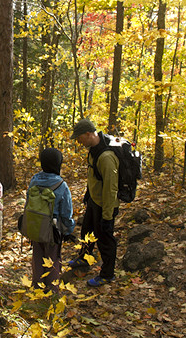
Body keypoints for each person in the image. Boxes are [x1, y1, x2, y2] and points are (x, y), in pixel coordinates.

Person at [68, 118, 119, 287]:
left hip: (105, 205)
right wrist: (88, 195)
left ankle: (107, 274)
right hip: (94, 200)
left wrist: (107, 216)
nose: (78, 141)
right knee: (87, 232)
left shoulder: (106, 157)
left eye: (79, 137)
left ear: (89, 134)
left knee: (105, 239)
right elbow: (94, 177)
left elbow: (111, 189)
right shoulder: (93, 150)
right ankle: (84, 258)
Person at [27, 148, 75, 293]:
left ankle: (37, 287)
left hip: (35, 226)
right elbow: (67, 211)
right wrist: (68, 229)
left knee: (37, 256)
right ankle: (52, 289)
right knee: (53, 258)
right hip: (53, 229)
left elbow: (28, 202)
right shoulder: (61, 185)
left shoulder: (34, 180)